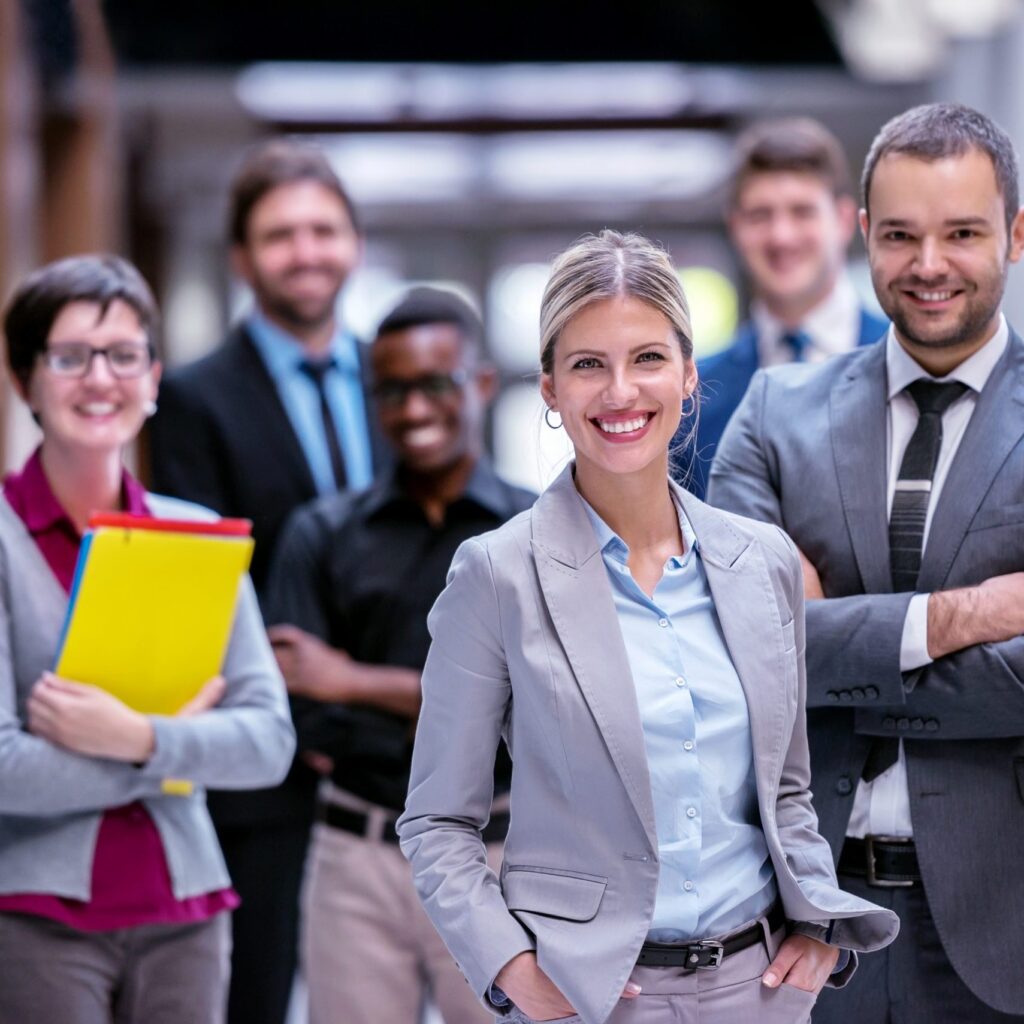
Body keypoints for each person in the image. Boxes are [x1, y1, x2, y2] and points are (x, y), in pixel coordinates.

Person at [397, 230, 897, 1024]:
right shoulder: (496, 575)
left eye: (649, 358)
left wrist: (816, 927)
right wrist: (512, 968)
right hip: (588, 999)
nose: (621, 391)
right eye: (588, 364)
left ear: (690, 374)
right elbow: (437, 821)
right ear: (550, 388)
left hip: (760, 991)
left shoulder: (762, 562)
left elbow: (786, 788)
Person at [708, 102, 1024, 1022]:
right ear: (862, 233)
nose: (928, 264)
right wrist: (964, 618)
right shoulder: (774, 415)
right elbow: (735, 652)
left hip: (1003, 925)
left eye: (962, 233)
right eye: (899, 235)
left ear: (1015, 234)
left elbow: (788, 656)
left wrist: (824, 644)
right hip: (801, 924)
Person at [0, 254, 295, 1023]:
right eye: (70, 357)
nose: (101, 378)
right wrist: (176, 756)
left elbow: (268, 742)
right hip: (33, 918)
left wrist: (137, 740)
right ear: (26, 380)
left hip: (188, 910)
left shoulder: (196, 536)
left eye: (124, 355)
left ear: (154, 378)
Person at [147, 138, 388, 1024]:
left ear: (354, 244)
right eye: (280, 235)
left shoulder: (399, 381)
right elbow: (209, 580)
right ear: (243, 259)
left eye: (323, 230)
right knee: (258, 995)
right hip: (265, 768)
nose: (306, 251)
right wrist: (303, 709)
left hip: (395, 760)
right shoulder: (193, 397)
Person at [264, 286, 535, 1024]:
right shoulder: (320, 534)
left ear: (482, 383)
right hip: (356, 856)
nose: (413, 409)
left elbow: (547, 709)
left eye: (436, 384)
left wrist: (353, 681)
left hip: (501, 858)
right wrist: (467, 709)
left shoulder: (538, 531)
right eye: (392, 390)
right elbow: (302, 710)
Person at [672, 118, 887, 498]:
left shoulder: (904, 361)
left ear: (843, 220)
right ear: (735, 226)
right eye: (760, 215)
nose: (781, 236)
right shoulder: (693, 398)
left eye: (802, 212)